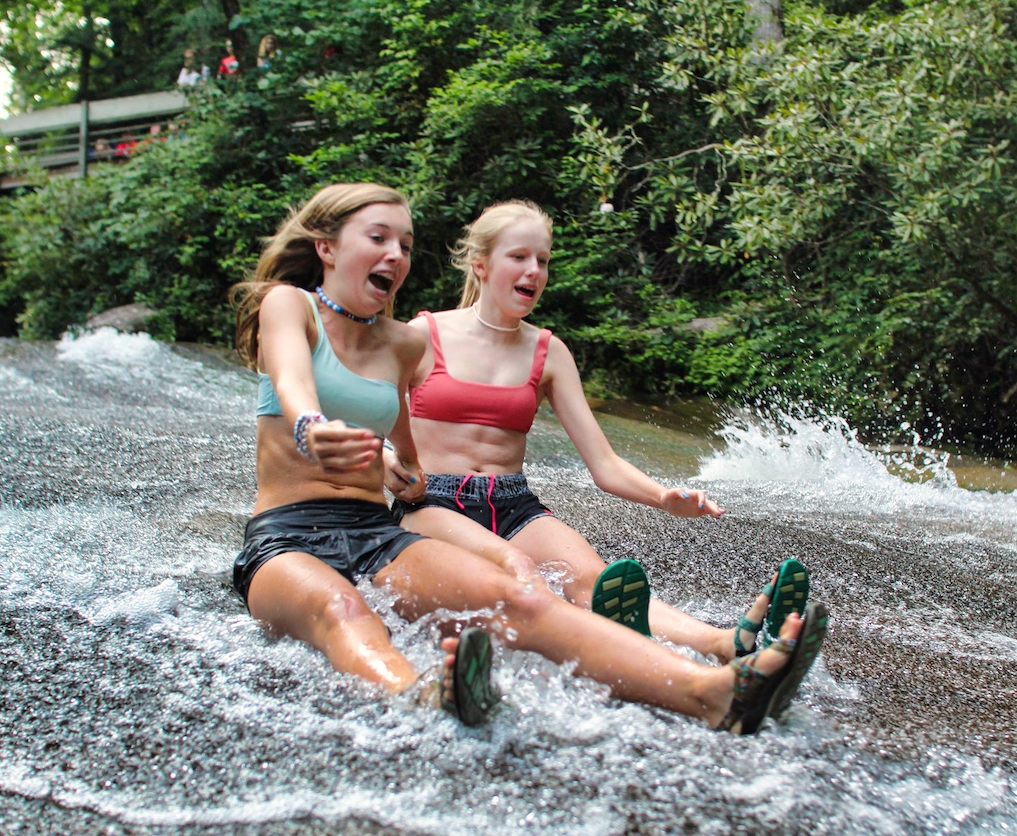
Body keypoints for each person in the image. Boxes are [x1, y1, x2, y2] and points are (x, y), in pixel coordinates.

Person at [227, 182, 827, 732]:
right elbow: (290, 378)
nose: (396, 255)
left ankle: (714, 691)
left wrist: (399, 468)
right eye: (378, 238)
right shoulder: (290, 305)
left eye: (406, 244)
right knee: (343, 609)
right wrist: (312, 426)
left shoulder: (403, 342)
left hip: (379, 531)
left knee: (524, 595)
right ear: (326, 248)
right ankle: (422, 693)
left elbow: (404, 450)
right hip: (286, 536)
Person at [392, 199, 810, 663]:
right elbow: (380, 430)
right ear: (482, 264)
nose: (534, 270)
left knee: (597, 580)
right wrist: (391, 467)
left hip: (512, 503)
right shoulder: (424, 334)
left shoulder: (549, 352)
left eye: (543, 260)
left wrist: (664, 497)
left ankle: (726, 643)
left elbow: (604, 463)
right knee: (523, 572)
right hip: (433, 502)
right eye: (519, 257)